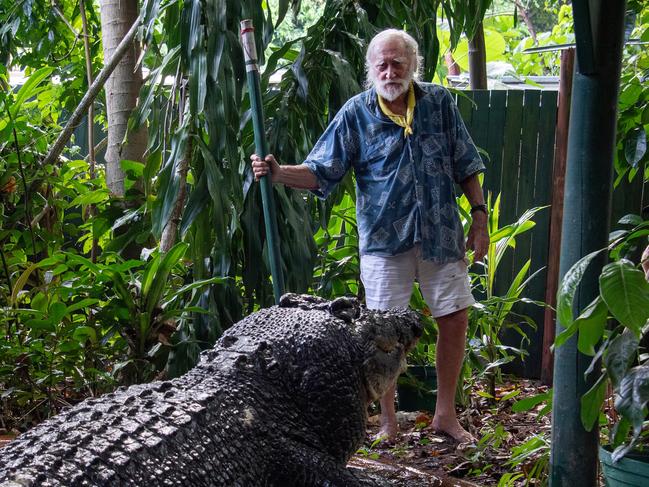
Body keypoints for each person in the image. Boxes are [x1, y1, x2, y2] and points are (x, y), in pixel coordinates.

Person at [251, 29, 488, 443]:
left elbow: (466, 162)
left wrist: (480, 217)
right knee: (381, 334)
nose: (389, 70)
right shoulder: (355, 113)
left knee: (455, 318)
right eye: (381, 63)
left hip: (441, 234)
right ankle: (387, 421)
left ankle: (445, 416)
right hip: (383, 241)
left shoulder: (439, 103)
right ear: (370, 69)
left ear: (413, 63)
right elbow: (322, 169)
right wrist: (279, 173)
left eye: (397, 62)